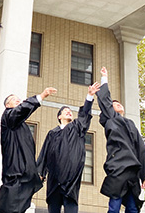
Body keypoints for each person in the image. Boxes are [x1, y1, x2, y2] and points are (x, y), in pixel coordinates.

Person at [37, 82, 100, 213]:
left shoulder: (77, 128)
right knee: (53, 208)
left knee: (71, 207)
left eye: (70, 111)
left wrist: (89, 96)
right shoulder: (52, 133)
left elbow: (84, 115)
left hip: (71, 178)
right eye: (65, 111)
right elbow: (44, 154)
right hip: (54, 178)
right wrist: (40, 174)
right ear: (59, 117)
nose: (69, 112)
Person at [97, 67, 145, 213]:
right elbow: (105, 100)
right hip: (118, 166)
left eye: (119, 103)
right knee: (115, 204)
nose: (118, 104)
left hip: (133, 169)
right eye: (115, 104)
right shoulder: (111, 119)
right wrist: (104, 78)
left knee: (133, 207)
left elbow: (141, 148)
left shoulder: (130, 124)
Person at [0, 86, 57, 213]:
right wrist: (41, 96)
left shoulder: (22, 126)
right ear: (7, 105)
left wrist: (35, 172)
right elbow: (21, 110)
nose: (18, 101)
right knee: (9, 207)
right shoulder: (8, 117)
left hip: (25, 175)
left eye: (19, 99)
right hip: (15, 174)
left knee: (19, 208)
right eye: (14, 100)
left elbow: (28, 152)